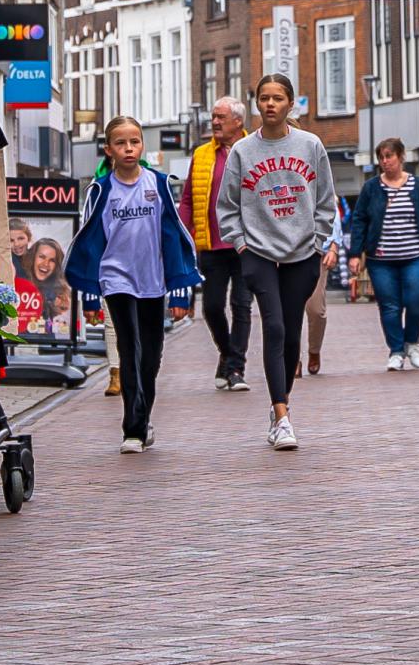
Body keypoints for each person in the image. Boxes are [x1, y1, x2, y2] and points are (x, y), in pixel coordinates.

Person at [65, 115, 201, 453]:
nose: (129, 148)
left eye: (135, 142)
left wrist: (180, 288)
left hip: (152, 282)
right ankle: (132, 429)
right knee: (128, 350)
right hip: (116, 280)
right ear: (109, 150)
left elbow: (172, 236)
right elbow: (91, 242)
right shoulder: (101, 190)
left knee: (151, 358)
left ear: (143, 145)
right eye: (121, 143)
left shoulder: (157, 184)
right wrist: (93, 299)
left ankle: (144, 417)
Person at [216, 74, 337, 451]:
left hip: (302, 253)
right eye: (264, 98)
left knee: (292, 332)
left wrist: (318, 241)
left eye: (278, 98)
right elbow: (227, 204)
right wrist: (240, 244)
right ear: (256, 104)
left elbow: (326, 199)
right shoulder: (242, 151)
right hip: (259, 253)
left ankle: (281, 403)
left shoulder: (310, 145)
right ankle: (281, 415)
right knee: (274, 326)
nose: (270, 104)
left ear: (290, 104)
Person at [348, 138, 419, 370]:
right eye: (381, 157)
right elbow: (360, 220)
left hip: (414, 256)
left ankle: (412, 342)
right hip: (381, 260)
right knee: (389, 305)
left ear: (401, 157)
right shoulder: (372, 188)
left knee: (418, 298)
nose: (385, 161)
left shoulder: (418, 185)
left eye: (389, 156)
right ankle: (396, 351)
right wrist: (355, 253)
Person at [178, 96, 253, 393]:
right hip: (210, 243)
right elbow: (187, 199)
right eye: (213, 117)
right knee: (211, 307)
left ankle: (236, 367)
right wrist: (183, 234)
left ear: (238, 121)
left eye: (221, 117)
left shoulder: (254, 150)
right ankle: (227, 352)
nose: (215, 122)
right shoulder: (202, 154)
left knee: (242, 305)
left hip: (247, 244)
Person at [298, 203, 343, 376]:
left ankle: (314, 350)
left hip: (317, 252)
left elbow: (331, 211)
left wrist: (334, 247)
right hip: (284, 252)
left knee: (316, 310)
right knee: (288, 310)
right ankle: (293, 358)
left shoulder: (317, 177)